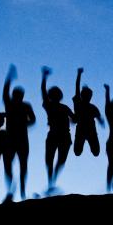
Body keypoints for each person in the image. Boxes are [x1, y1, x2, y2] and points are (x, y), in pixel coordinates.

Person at [3, 64, 36, 201]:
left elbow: (33, 119)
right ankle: (13, 190)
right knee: (9, 166)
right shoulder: (10, 104)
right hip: (12, 139)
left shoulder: (25, 106)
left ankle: (21, 191)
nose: (18, 96)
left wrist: (25, 124)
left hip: (21, 139)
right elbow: (5, 91)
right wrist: (9, 78)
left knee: (22, 166)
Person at [41, 66, 76, 194]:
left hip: (62, 136)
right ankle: (51, 181)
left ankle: (52, 181)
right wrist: (44, 78)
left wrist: (44, 77)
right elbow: (43, 92)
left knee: (57, 160)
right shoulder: (50, 105)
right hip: (58, 135)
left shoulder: (62, 107)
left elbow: (74, 118)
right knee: (52, 160)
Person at [73, 68, 104, 156]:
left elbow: (99, 118)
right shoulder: (79, 102)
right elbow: (77, 87)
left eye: (89, 96)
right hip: (84, 131)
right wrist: (79, 74)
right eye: (88, 95)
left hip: (89, 131)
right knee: (78, 152)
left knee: (95, 152)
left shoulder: (92, 107)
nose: (89, 97)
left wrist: (101, 121)